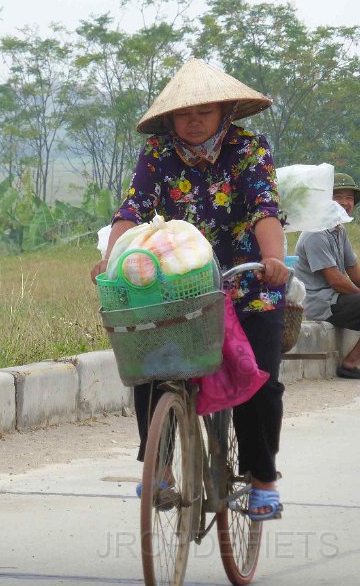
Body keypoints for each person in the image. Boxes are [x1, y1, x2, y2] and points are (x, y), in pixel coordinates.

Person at [91, 58, 289, 521]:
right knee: (148, 363)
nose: (194, 121)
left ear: (224, 111)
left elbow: (265, 208)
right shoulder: (158, 154)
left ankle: (262, 478)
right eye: (184, 114)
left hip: (246, 278)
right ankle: (157, 470)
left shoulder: (248, 148)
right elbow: (133, 210)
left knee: (259, 379)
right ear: (171, 119)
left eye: (204, 111)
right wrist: (113, 259)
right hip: (173, 281)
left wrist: (274, 261)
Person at [294, 172, 360, 378]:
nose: (345, 202)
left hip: (337, 299)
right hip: (321, 303)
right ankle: (350, 363)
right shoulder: (316, 233)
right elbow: (336, 281)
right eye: (337, 196)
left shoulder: (338, 230)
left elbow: (354, 270)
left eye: (349, 197)